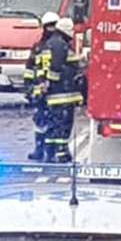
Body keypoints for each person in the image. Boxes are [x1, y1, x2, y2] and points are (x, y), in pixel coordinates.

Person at [41, 18, 84, 162]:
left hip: (56, 94)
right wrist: (53, 83)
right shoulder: (60, 44)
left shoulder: (52, 42)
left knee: (54, 124)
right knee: (63, 123)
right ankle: (61, 153)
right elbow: (56, 66)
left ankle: (51, 152)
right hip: (62, 93)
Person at [24, 11, 59, 161]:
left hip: (53, 91)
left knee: (52, 121)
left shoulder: (57, 46)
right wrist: (29, 87)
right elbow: (30, 68)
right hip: (41, 91)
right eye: (48, 26)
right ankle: (40, 150)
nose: (50, 29)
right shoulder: (39, 47)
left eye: (53, 26)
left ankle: (50, 152)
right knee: (40, 121)